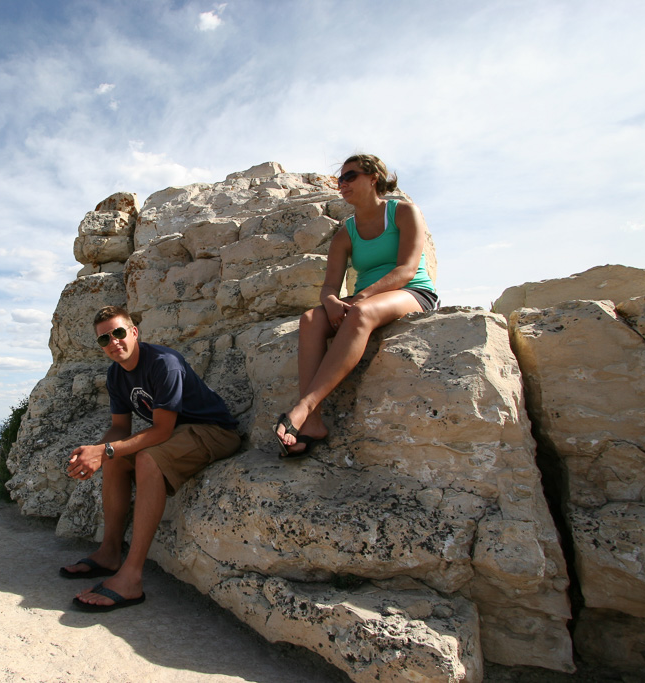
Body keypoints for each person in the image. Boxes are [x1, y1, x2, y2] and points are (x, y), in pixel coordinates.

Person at [62, 305, 241, 611]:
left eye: (118, 333)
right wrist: (93, 453)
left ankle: (131, 577)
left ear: (134, 332)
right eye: (104, 339)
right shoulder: (116, 374)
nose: (113, 342)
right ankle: (109, 552)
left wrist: (104, 451)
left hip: (213, 431)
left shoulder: (163, 363)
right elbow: (120, 427)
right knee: (115, 459)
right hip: (178, 433)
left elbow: (160, 431)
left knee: (147, 458)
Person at [275, 154, 439, 458]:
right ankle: (313, 424)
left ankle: (305, 406)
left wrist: (361, 298)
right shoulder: (345, 233)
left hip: (411, 291)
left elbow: (406, 269)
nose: (342, 184)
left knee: (362, 312)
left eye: (350, 176)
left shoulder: (403, 212)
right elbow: (328, 287)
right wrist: (332, 302)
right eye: (340, 180)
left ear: (373, 177)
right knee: (311, 319)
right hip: (367, 298)